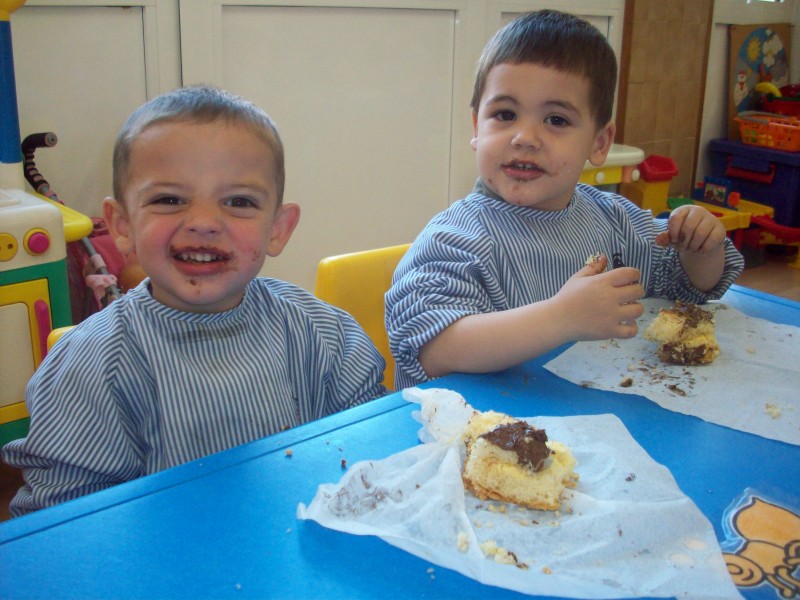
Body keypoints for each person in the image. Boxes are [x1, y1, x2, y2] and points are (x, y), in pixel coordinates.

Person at [2, 85, 387, 517]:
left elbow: (374, 452)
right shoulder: (88, 369)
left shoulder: (327, 334)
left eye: (238, 202)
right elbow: (67, 525)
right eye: (169, 200)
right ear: (122, 225)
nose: (204, 222)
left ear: (278, 229)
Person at [385, 10, 744, 390]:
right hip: (481, 422)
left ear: (599, 143)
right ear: (477, 127)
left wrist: (700, 249)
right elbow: (436, 350)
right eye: (505, 114)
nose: (525, 137)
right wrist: (561, 318)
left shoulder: (615, 220)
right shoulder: (455, 241)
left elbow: (688, 286)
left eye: (556, 120)